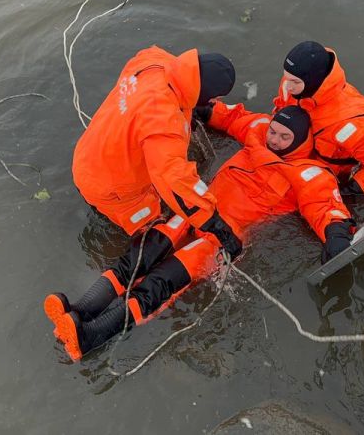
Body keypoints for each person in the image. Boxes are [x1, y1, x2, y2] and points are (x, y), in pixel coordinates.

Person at [48, 104, 355, 361]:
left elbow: (326, 206)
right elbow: (234, 117)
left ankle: (90, 337)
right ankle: (78, 310)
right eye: (274, 131)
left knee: (159, 282)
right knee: (138, 257)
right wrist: (205, 108)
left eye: (283, 137)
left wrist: (338, 234)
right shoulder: (260, 129)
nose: (274, 139)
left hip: (222, 237)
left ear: (299, 141)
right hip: (198, 208)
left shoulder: (309, 174)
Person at [67, 46, 244, 320]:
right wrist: (215, 223)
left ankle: (81, 311)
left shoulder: (157, 62)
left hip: (89, 156)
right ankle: (93, 313)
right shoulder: (165, 120)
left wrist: (188, 109)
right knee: (155, 237)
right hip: (111, 187)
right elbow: (176, 181)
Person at [273, 41, 364, 195]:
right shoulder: (291, 84)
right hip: (288, 156)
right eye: (286, 78)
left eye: (295, 82)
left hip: (322, 176)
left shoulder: (354, 120)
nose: (288, 86)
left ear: (314, 81)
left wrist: (344, 192)